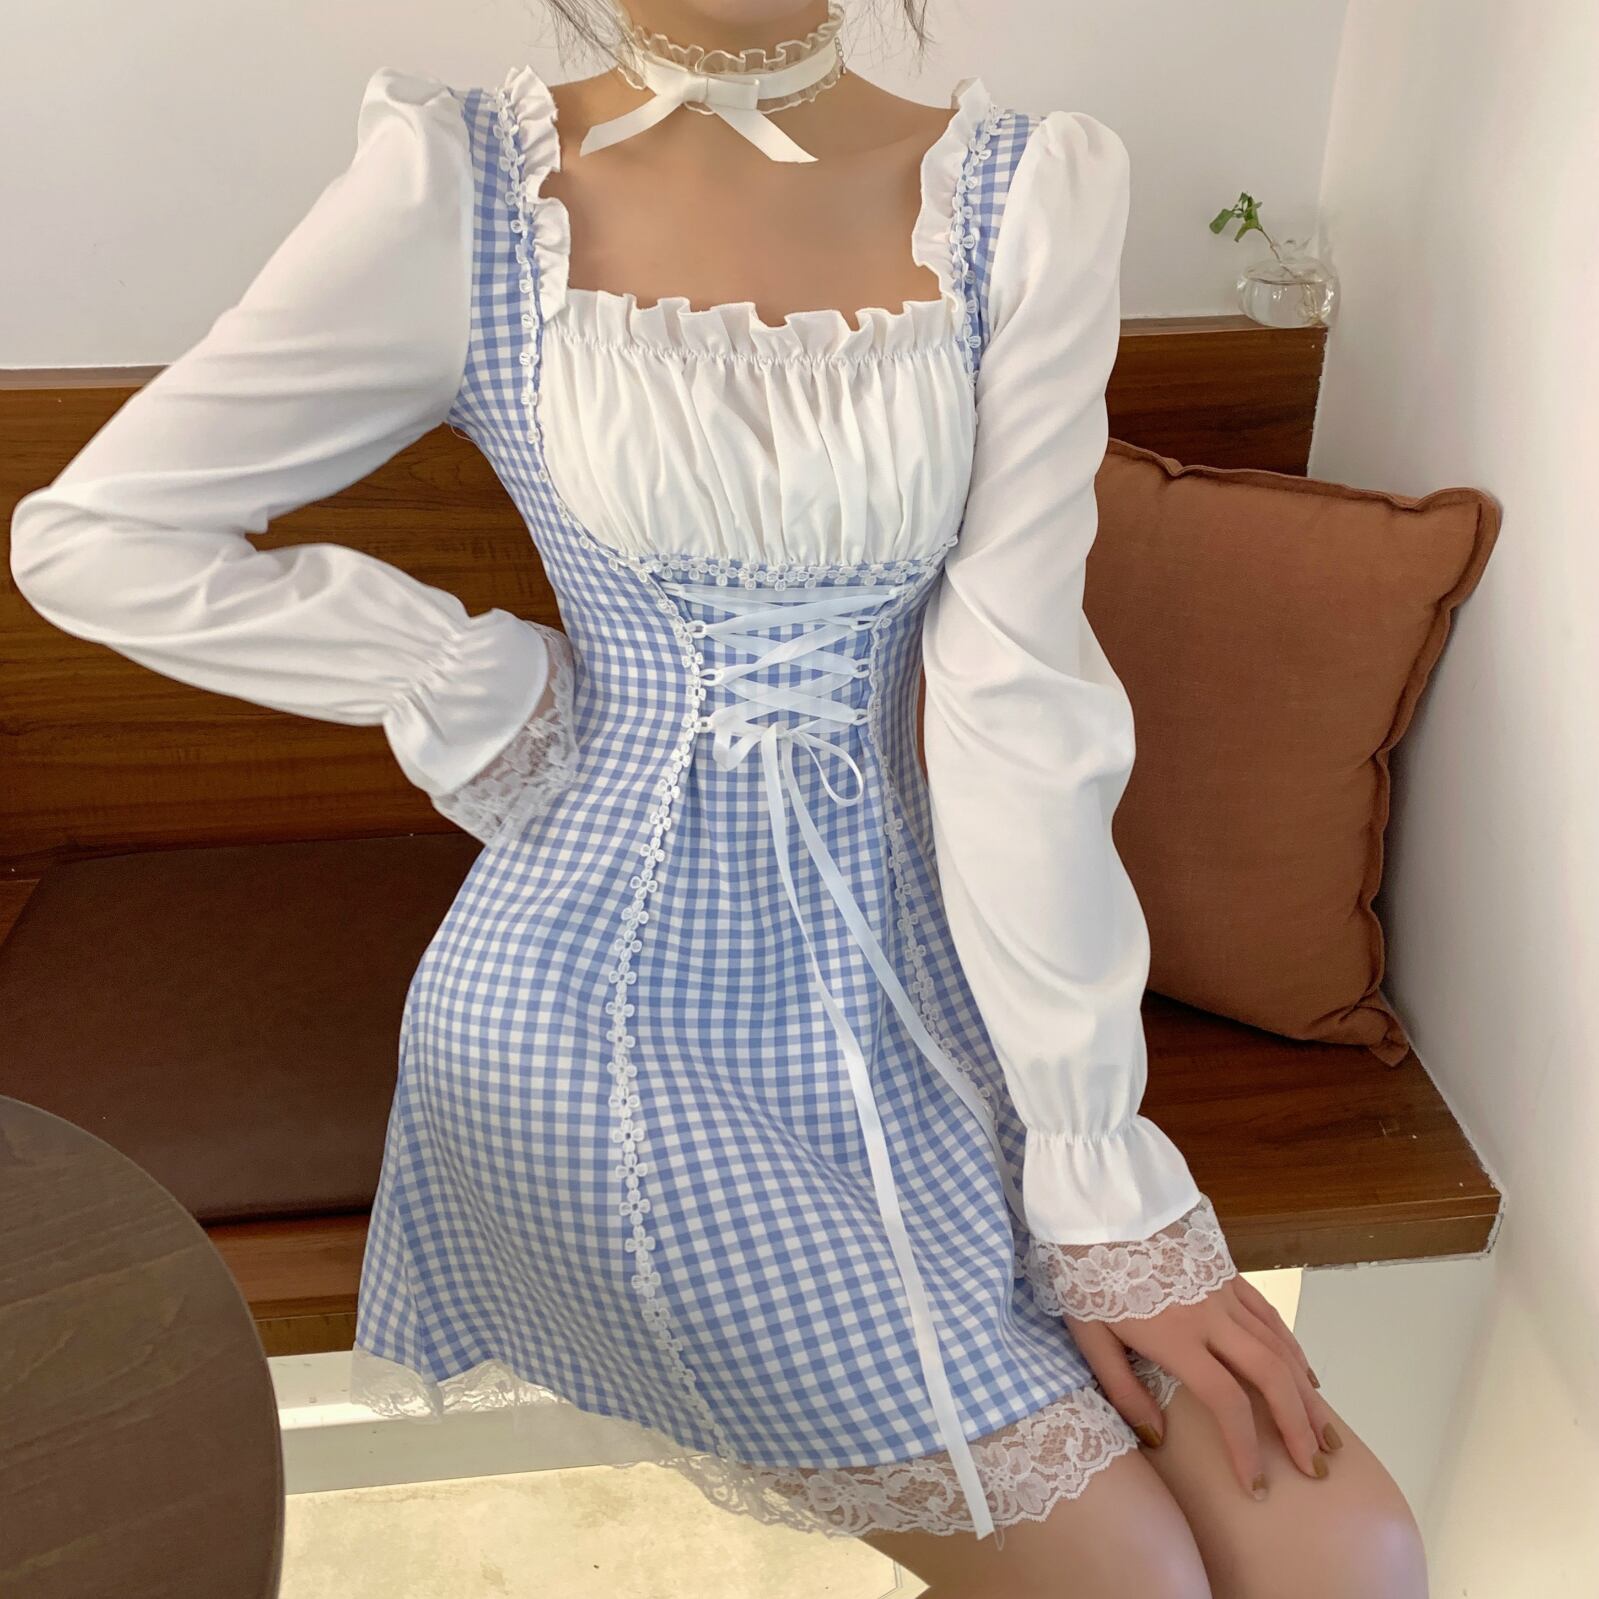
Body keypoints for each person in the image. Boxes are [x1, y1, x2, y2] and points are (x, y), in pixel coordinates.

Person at [8, 2, 1428, 1593]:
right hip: (598, 1013)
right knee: (1127, 1577)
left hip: (934, 990)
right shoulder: (466, 189)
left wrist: (1100, 1173)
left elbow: (1014, 699)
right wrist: (476, 681)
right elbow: (97, 538)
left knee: (1345, 1554)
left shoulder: (1024, 194)